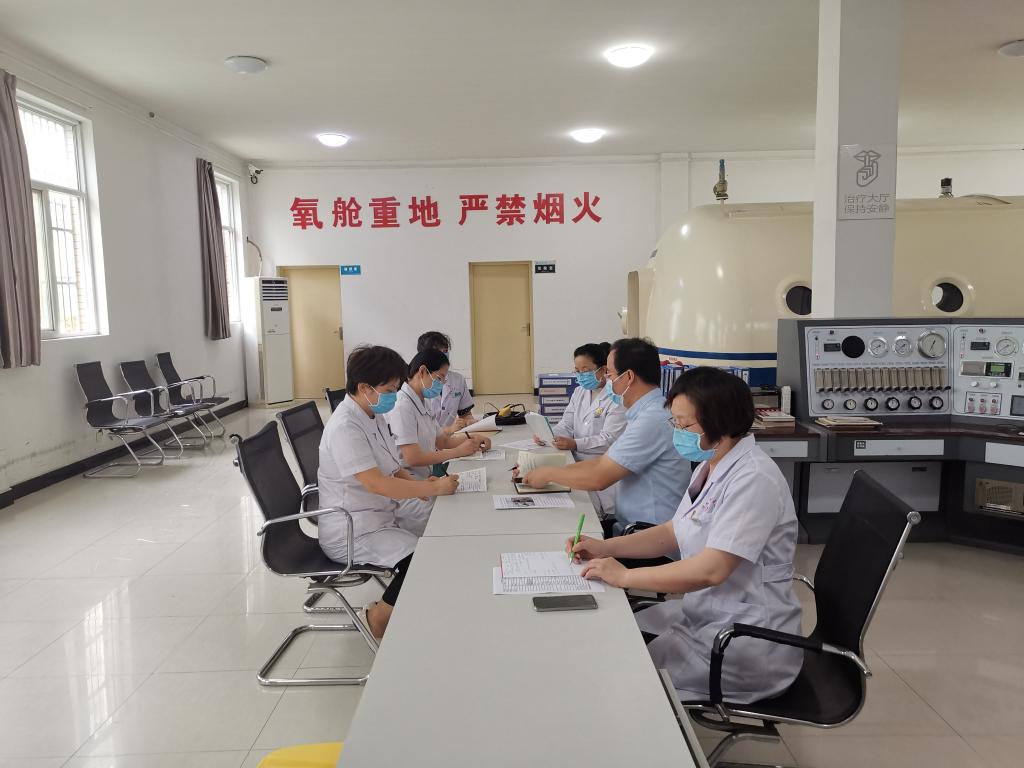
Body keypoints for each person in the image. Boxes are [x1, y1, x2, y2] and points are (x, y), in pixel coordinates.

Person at [567, 367, 803, 703]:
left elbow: (711, 570)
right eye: (674, 422)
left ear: (720, 422)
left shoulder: (754, 479)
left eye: (684, 424)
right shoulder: (712, 464)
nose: (677, 432)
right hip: (707, 615)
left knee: (618, 679)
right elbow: (673, 531)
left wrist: (625, 576)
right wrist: (605, 547)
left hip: (740, 641)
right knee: (613, 637)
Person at [318, 345, 459, 639]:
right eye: (389, 390)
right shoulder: (345, 427)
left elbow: (393, 468)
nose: (393, 396)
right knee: (421, 558)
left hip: (382, 513)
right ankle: (377, 619)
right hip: (354, 529)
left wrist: (426, 489)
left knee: (446, 530)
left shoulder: (372, 415)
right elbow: (376, 483)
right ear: (363, 387)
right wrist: (426, 487)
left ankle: (426, 602)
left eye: (395, 389)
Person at [522, 337, 689, 537]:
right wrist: (544, 469)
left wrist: (549, 474)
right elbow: (603, 462)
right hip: (635, 527)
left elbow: (598, 477)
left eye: (609, 374)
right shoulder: (646, 413)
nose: (607, 381)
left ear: (629, 377)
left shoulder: (651, 420)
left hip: (649, 534)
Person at [387, 347, 492, 532]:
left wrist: (473, 439)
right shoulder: (402, 406)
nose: (442, 383)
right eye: (440, 377)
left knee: (462, 501)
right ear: (422, 371)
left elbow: (442, 441)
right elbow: (413, 458)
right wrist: (458, 452)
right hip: (408, 484)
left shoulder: (422, 401)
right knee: (451, 513)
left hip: (424, 478)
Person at [535, 342, 626, 521]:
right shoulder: (579, 392)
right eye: (577, 371)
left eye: (586, 370)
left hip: (602, 468)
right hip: (576, 462)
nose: (581, 375)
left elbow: (609, 439)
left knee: (590, 513)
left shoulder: (616, 397)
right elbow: (566, 424)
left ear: (603, 369)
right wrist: (550, 435)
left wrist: (575, 443)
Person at [416, 331, 476, 435]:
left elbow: (465, 414)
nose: (443, 355)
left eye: (445, 351)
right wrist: (447, 430)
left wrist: (468, 421)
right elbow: (418, 432)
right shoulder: (416, 385)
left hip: (450, 439)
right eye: (437, 351)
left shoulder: (457, 380)